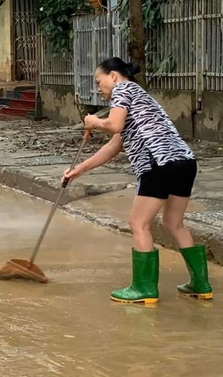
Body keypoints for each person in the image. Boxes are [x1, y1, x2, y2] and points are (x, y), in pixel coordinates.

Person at [63, 57, 212, 304]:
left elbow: (113, 125)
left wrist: (93, 121)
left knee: (138, 223)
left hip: (158, 163)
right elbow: (113, 146)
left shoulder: (123, 89)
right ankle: (200, 283)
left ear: (113, 76)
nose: (99, 90)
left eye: (99, 82)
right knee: (174, 223)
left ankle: (144, 288)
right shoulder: (142, 99)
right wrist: (78, 170)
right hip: (184, 163)